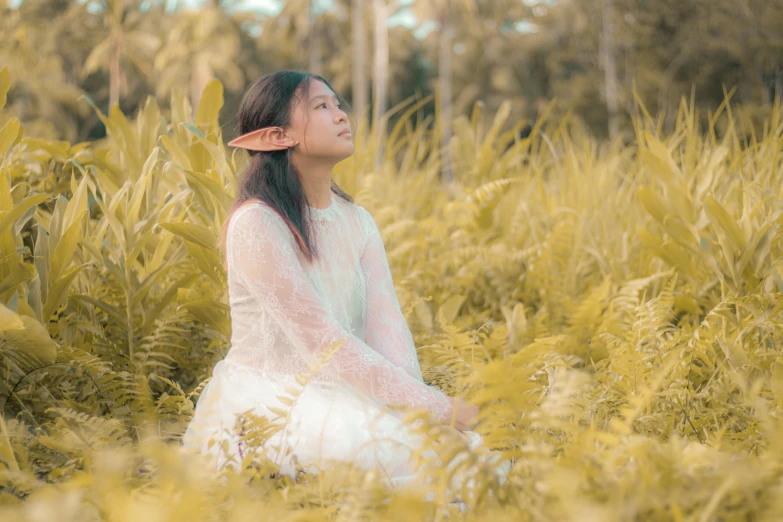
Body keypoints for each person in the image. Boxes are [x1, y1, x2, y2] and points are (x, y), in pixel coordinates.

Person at [181, 70, 510, 500]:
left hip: (353, 388)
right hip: (272, 404)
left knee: (460, 455)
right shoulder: (257, 223)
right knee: (413, 463)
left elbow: (387, 330)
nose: (340, 115)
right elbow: (325, 344)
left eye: (338, 104)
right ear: (278, 136)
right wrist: (440, 408)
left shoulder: (358, 222)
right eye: (321, 106)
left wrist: (423, 411)